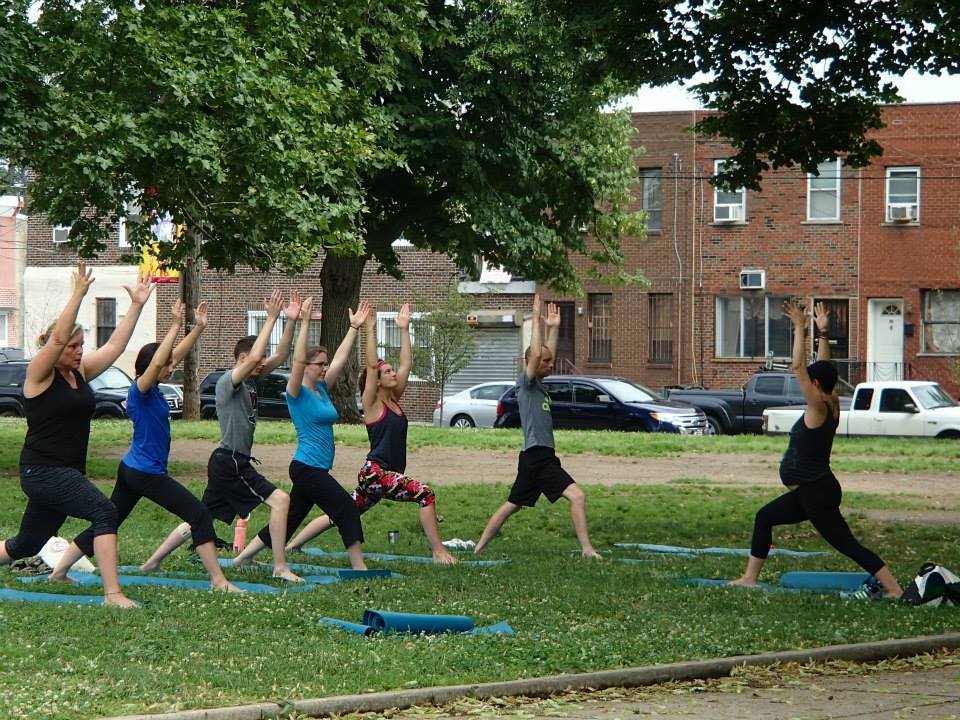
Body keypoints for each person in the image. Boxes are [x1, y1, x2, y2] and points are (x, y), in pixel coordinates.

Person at [48, 300, 241, 592]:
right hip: (145, 473)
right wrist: (175, 325)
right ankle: (219, 581)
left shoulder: (153, 387)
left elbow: (172, 355)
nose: (172, 367)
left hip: (133, 470)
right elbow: (159, 362)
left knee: (109, 521)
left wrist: (198, 329)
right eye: (166, 366)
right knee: (199, 514)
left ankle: (58, 572)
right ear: (151, 367)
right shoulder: (141, 390)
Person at [0, 262, 153, 608]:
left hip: (64, 471)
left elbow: (114, 346)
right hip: (42, 470)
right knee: (105, 512)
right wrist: (79, 293)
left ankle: (109, 590)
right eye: (72, 346)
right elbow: (56, 338)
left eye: (81, 345)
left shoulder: (80, 372)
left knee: (27, 543)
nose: (79, 350)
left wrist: (137, 306)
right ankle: (113, 594)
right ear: (57, 350)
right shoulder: (40, 373)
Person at [729, 301, 903, 600]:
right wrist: (823, 334)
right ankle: (749, 578)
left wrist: (799, 326)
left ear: (816, 384)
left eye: (812, 380)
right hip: (812, 491)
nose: (806, 382)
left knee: (848, 545)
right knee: (765, 517)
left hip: (816, 492)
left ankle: (895, 590)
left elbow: (798, 367)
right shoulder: (832, 400)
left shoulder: (818, 406)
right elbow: (826, 368)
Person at [141, 289, 304, 582]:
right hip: (231, 462)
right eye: (257, 358)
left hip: (225, 462)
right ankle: (280, 567)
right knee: (281, 501)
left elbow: (280, 355)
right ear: (243, 358)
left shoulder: (252, 379)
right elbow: (256, 355)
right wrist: (269, 318)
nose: (263, 362)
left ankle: (151, 563)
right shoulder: (229, 382)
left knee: (199, 517)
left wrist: (289, 321)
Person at [286, 303, 456, 564]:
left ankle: (293, 545)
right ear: (376, 380)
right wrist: (370, 329)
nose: (393, 373)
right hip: (376, 473)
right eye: (387, 371)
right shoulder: (372, 403)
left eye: (391, 371)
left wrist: (404, 329)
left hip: (386, 474)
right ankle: (438, 551)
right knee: (425, 493)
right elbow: (371, 365)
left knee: (342, 513)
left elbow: (407, 363)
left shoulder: (394, 399)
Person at [232, 298, 369, 570]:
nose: (324, 367)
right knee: (346, 508)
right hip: (307, 468)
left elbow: (341, 359)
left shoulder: (322, 389)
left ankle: (242, 557)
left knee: (291, 517)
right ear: (306, 367)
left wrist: (354, 328)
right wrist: (303, 322)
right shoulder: (296, 392)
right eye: (319, 364)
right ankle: (359, 566)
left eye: (324, 363)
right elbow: (295, 359)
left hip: (315, 467)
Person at [474, 294, 601, 559]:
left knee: (512, 505)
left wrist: (554, 328)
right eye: (544, 362)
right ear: (530, 362)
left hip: (536, 457)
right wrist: (535, 319)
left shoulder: (539, 386)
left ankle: (478, 548)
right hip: (538, 458)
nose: (550, 364)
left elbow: (543, 354)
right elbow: (535, 356)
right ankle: (587, 549)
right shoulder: (526, 383)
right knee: (577, 497)